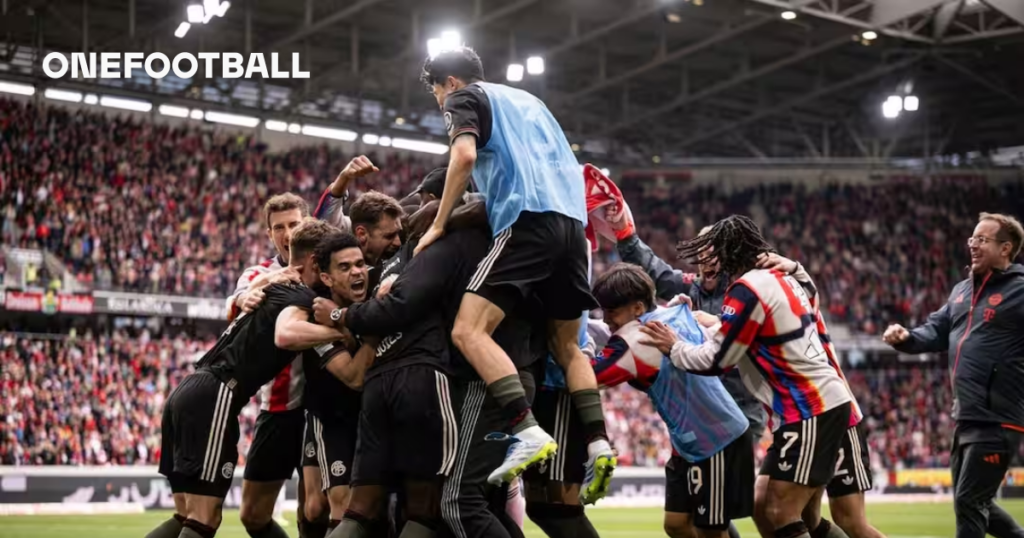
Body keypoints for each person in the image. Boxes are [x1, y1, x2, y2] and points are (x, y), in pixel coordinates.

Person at [415, 46, 614, 501]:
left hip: (526, 220)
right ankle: (599, 440)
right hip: (572, 230)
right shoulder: (532, 103)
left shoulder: (462, 99)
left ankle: (526, 428)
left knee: (469, 331)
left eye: (434, 89)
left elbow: (463, 157)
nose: (436, 99)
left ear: (448, 82)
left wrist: (440, 222)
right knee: (568, 345)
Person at [643, 215, 853, 538]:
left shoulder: (746, 289)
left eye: (715, 253)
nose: (710, 261)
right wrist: (796, 267)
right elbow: (807, 298)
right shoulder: (780, 277)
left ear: (729, 254)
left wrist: (674, 346)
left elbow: (717, 360)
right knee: (767, 507)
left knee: (781, 510)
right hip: (812, 406)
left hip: (811, 407)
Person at [148, 220, 351, 538]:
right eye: (327, 262)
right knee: (204, 519)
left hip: (190, 391)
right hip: (217, 394)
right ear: (314, 262)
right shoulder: (296, 296)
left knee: (185, 514)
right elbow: (286, 335)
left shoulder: (272, 287)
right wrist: (345, 327)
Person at [883, 212, 1024, 538]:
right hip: (966, 416)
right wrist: (906, 338)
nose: (973, 245)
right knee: (975, 503)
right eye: (972, 239)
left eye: (982, 240)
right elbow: (935, 330)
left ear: (1006, 248)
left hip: (998, 417)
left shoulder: (1019, 291)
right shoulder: (962, 291)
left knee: (969, 501)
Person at [592, 263, 752, 538]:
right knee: (677, 525)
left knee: (711, 530)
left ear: (638, 308)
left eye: (612, 311)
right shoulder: (671, 313)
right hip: (692, 441)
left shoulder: (636, 339)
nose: (606, 319)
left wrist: (572, 342)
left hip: (714, 437)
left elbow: (589, 377)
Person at [300, 232, 377, 538]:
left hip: (363, 418)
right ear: (327, 278)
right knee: (324, 506)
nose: (357, 272)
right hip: (329, 417)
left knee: (338, 506)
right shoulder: (315, 316)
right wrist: (375, 331)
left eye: (360, 264)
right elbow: (355, 377)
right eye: (345, 268)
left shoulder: (367, 304)